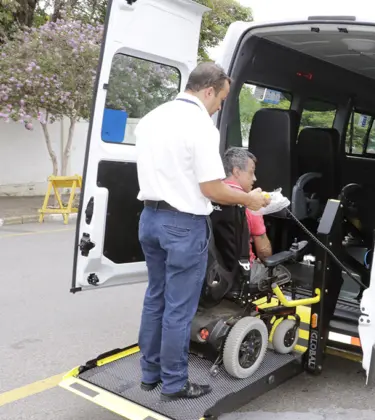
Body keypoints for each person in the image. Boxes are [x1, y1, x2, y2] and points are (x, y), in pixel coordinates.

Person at [134, 62, 269, 402]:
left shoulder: (153, 118)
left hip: (149, 219)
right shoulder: (200, 126)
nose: (220, 106)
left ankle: (150, 375)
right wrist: (248, 199)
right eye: (221, 98)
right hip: (182, 225)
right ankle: (175, 384)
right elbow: (212, 188)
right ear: (208, 90)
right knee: (179, 308)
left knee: (155, 300)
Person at [221, 147, 274, 283]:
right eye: (251, 172)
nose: (255, 178)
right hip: (244, 274)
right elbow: (264, 252)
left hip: (215, 272)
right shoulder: (250, 203)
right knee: (282, 273)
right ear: (236, 172)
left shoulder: (212, 196)